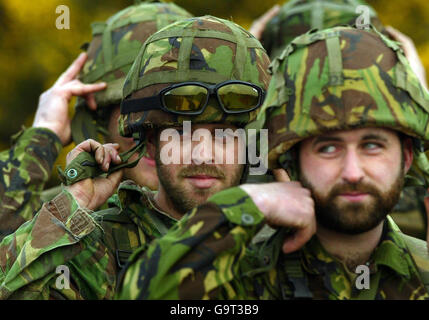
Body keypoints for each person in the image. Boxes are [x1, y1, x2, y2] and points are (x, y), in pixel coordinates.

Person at [116, 25, 429, 300]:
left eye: (372, 146)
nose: (352, 172)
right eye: (328, 148)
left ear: (407, 157)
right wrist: (247, 204)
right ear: (290, 159)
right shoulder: (239, 273)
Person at [0, 15, 271, 299]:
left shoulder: (277, 242)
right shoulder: (95, 249)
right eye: (181, 133)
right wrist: (71, 207)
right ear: (150, 144)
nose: (203, 155)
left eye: (222, 135)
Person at [0, 0, 193, 241]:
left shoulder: (241, 210)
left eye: (181, 110)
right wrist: (43, 137)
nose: (159, 134)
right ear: (100, 118)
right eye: (138, 112)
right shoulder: (60, 215)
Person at [249, 0, 429, 239]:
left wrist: (415, 99)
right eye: (301, 74)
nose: (352, 172)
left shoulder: (402, 166)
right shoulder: (244, 162)